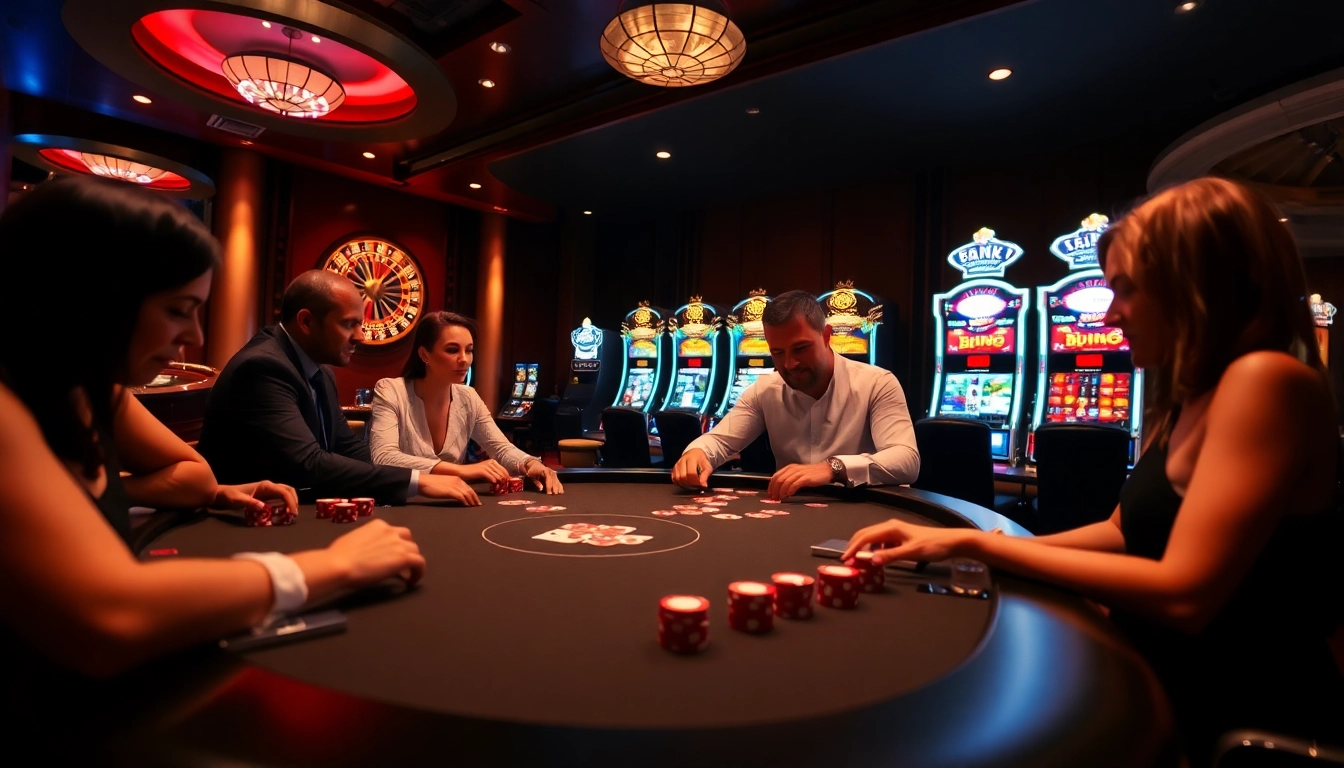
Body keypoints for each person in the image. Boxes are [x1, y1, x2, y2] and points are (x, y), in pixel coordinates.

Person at [845, 178, 1344, 764]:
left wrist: (979, 548)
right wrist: (965, 541)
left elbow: (1186, 594)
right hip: (1158, 676)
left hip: (1237, 720)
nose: (1110, 313)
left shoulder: (1266, 380)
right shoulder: (1185, 396)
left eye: (1128, 289)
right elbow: (1120, 531)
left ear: (1197, 285)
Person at [0, 177, 425, 678]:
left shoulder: (93, 392)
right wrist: (333, 566)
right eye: (179, 310)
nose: (195, 336)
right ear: (89, 298)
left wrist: (202, 493)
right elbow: (109, 617)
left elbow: (194, 474)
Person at [198, 270, 481, 505]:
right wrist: (418, 482)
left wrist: (422, 472)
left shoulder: (320, 369)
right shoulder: (263, 368)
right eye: (349, 324)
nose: (359, 336)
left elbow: (348, 448)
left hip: (297, 507)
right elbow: (309, 463)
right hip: (242, 519)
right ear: (306, 322)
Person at [671, 290, 920, 499]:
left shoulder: (877, 383)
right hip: (793, 512)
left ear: (826, 336)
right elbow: (719, 441)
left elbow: (906, 460)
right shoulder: (765, 389)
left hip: (864, 510)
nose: (789, 364)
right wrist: (697, 452)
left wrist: (833, 468)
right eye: (777, 352)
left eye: (800, 348)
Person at [369, 311, 562, 493]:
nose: (464, 359)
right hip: (401, 501)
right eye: (452, 350)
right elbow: (384, 458)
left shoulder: (468, 397)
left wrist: (530, 463)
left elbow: (500, 448)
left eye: (469, 350)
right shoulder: (391, 390)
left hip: (452, 502)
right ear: (424, 355)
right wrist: (462, 470)